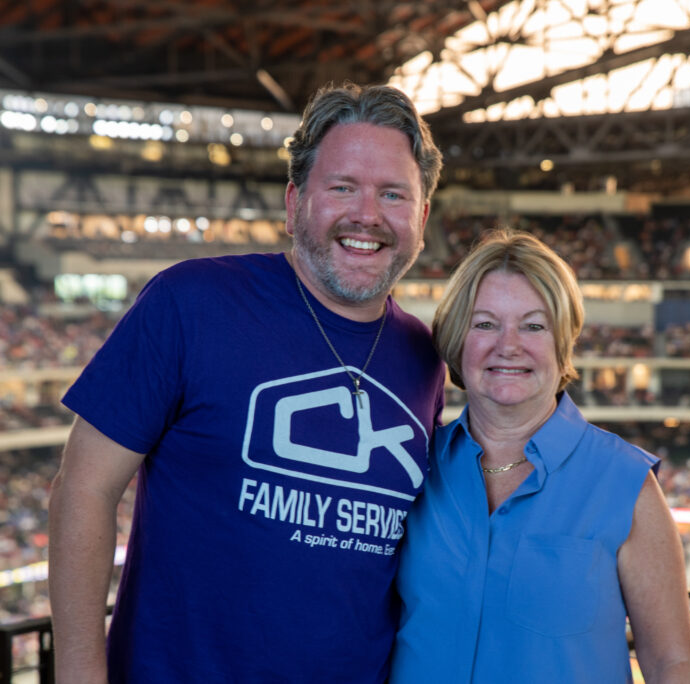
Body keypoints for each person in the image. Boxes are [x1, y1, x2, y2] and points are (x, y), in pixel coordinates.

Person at [47, 82, 446, 684]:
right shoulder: (191, 302)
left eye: (393, 194)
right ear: (294, 204)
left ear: (419, 217)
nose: (367, 215)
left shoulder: (424, 356)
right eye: (342, 187)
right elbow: (84, 488)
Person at [390, 229, 690, 683]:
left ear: (563, 341)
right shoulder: (414, 465)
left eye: (534, 325)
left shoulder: (625, 482)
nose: (508, 345)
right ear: (457, 340)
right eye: (485, 323)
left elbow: (671, 663)